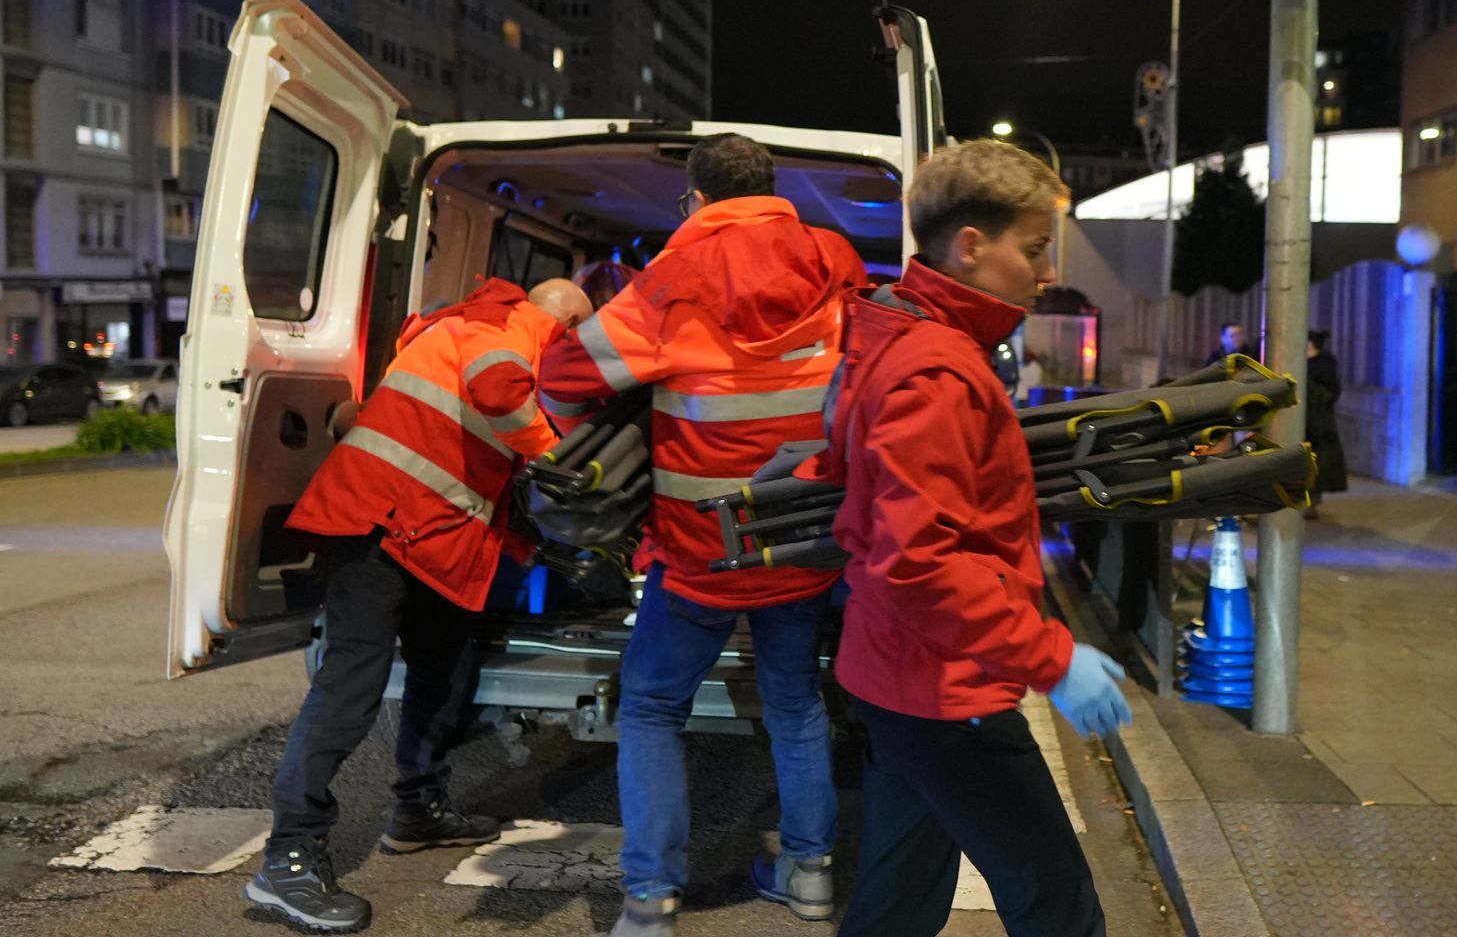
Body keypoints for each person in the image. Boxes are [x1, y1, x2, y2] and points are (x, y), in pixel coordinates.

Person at [536, 133, 866, 937]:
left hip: (701, 550)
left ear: (695, 200)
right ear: (771, 188)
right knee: (793, 703)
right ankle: (811, 873)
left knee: (651, 708)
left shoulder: (670, 280)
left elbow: (562, 378)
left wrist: (611, 435)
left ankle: (651, 901)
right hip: (803, 538)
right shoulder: (834, 262)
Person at [808, 140, 1129, 937]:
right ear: (971, 247)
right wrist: (1054, 658)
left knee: (898, 904)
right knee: (1058, 906)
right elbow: (919, 563)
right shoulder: (938, 373)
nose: (1047, 271)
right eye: (1034, 248)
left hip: (901, 677)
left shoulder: (902, 338)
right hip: (945, 691)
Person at [246, 277, 593, 934]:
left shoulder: (470, 330)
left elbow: (468, 450)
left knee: (446, 667)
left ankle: (419, 808)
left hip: (430, 534)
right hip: (380, 527)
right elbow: (498, 392)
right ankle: (287, 858)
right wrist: (559, 456)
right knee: (351, 686)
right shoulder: (509, 328)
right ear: (567, 323)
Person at [1304, 329, 1348, 512]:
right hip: (1304, 420)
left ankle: (1312, 500)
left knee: (1317, 462)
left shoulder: (1324, 364)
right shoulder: (1301, 362)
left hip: (1318, 423)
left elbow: (1331, 392)